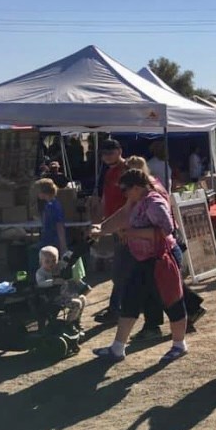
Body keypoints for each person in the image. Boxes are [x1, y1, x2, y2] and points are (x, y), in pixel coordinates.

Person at [92, 169, 188, 363]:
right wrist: (102, 229)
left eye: (125, 190)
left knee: (172, 302)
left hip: (161, 259)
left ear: (137, 187)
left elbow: (166, 229)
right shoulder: (138, 200)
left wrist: (132, 233)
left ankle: (179, 345)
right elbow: (124, 215)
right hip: (143, 260)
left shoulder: (154, 202)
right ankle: (117, 348)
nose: (123, 194)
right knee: (130, 300)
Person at [125, 156, 206, 338]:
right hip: (156, 251)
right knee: (163, 289)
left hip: (163, 251)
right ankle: (186, 312)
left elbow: (165, 228)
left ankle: (171, 326)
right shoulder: (144, 192)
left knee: (166, 292)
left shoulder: (152, 194)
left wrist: (134, 233)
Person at [94, 138, 129, 324]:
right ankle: (117, 309)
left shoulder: (126, 170)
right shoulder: (109, 172)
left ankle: (115, 310)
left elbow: (130, 201)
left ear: (119, 150)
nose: (107, 156)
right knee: (124, 270)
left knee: (120, 271)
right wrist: (100, 220)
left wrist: (123, 226)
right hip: (115, 226)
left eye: (110, 152)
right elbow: (106, 198)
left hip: (125, 228)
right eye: (104, 153)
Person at [36, 246, 87, 327]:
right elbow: (40, 283)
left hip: (65, 295)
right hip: (54, 298)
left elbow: (67, 262)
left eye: (54, 261)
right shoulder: (41, 272)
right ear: (41, 262)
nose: (51, 264)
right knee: (77, 304)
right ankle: (69, 325)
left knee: (83, 298)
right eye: (47, 261)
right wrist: (53, 282)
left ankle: (76, 321)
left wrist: (70, 255)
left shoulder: (59, 266)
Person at [35, 178, 68, 255]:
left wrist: (63, 246)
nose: (37, 194)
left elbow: (59, 226)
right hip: (48, 240)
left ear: (44, 192)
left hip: (54, 242)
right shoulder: (48, 205)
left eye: (38, 191)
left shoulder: (54, 206)